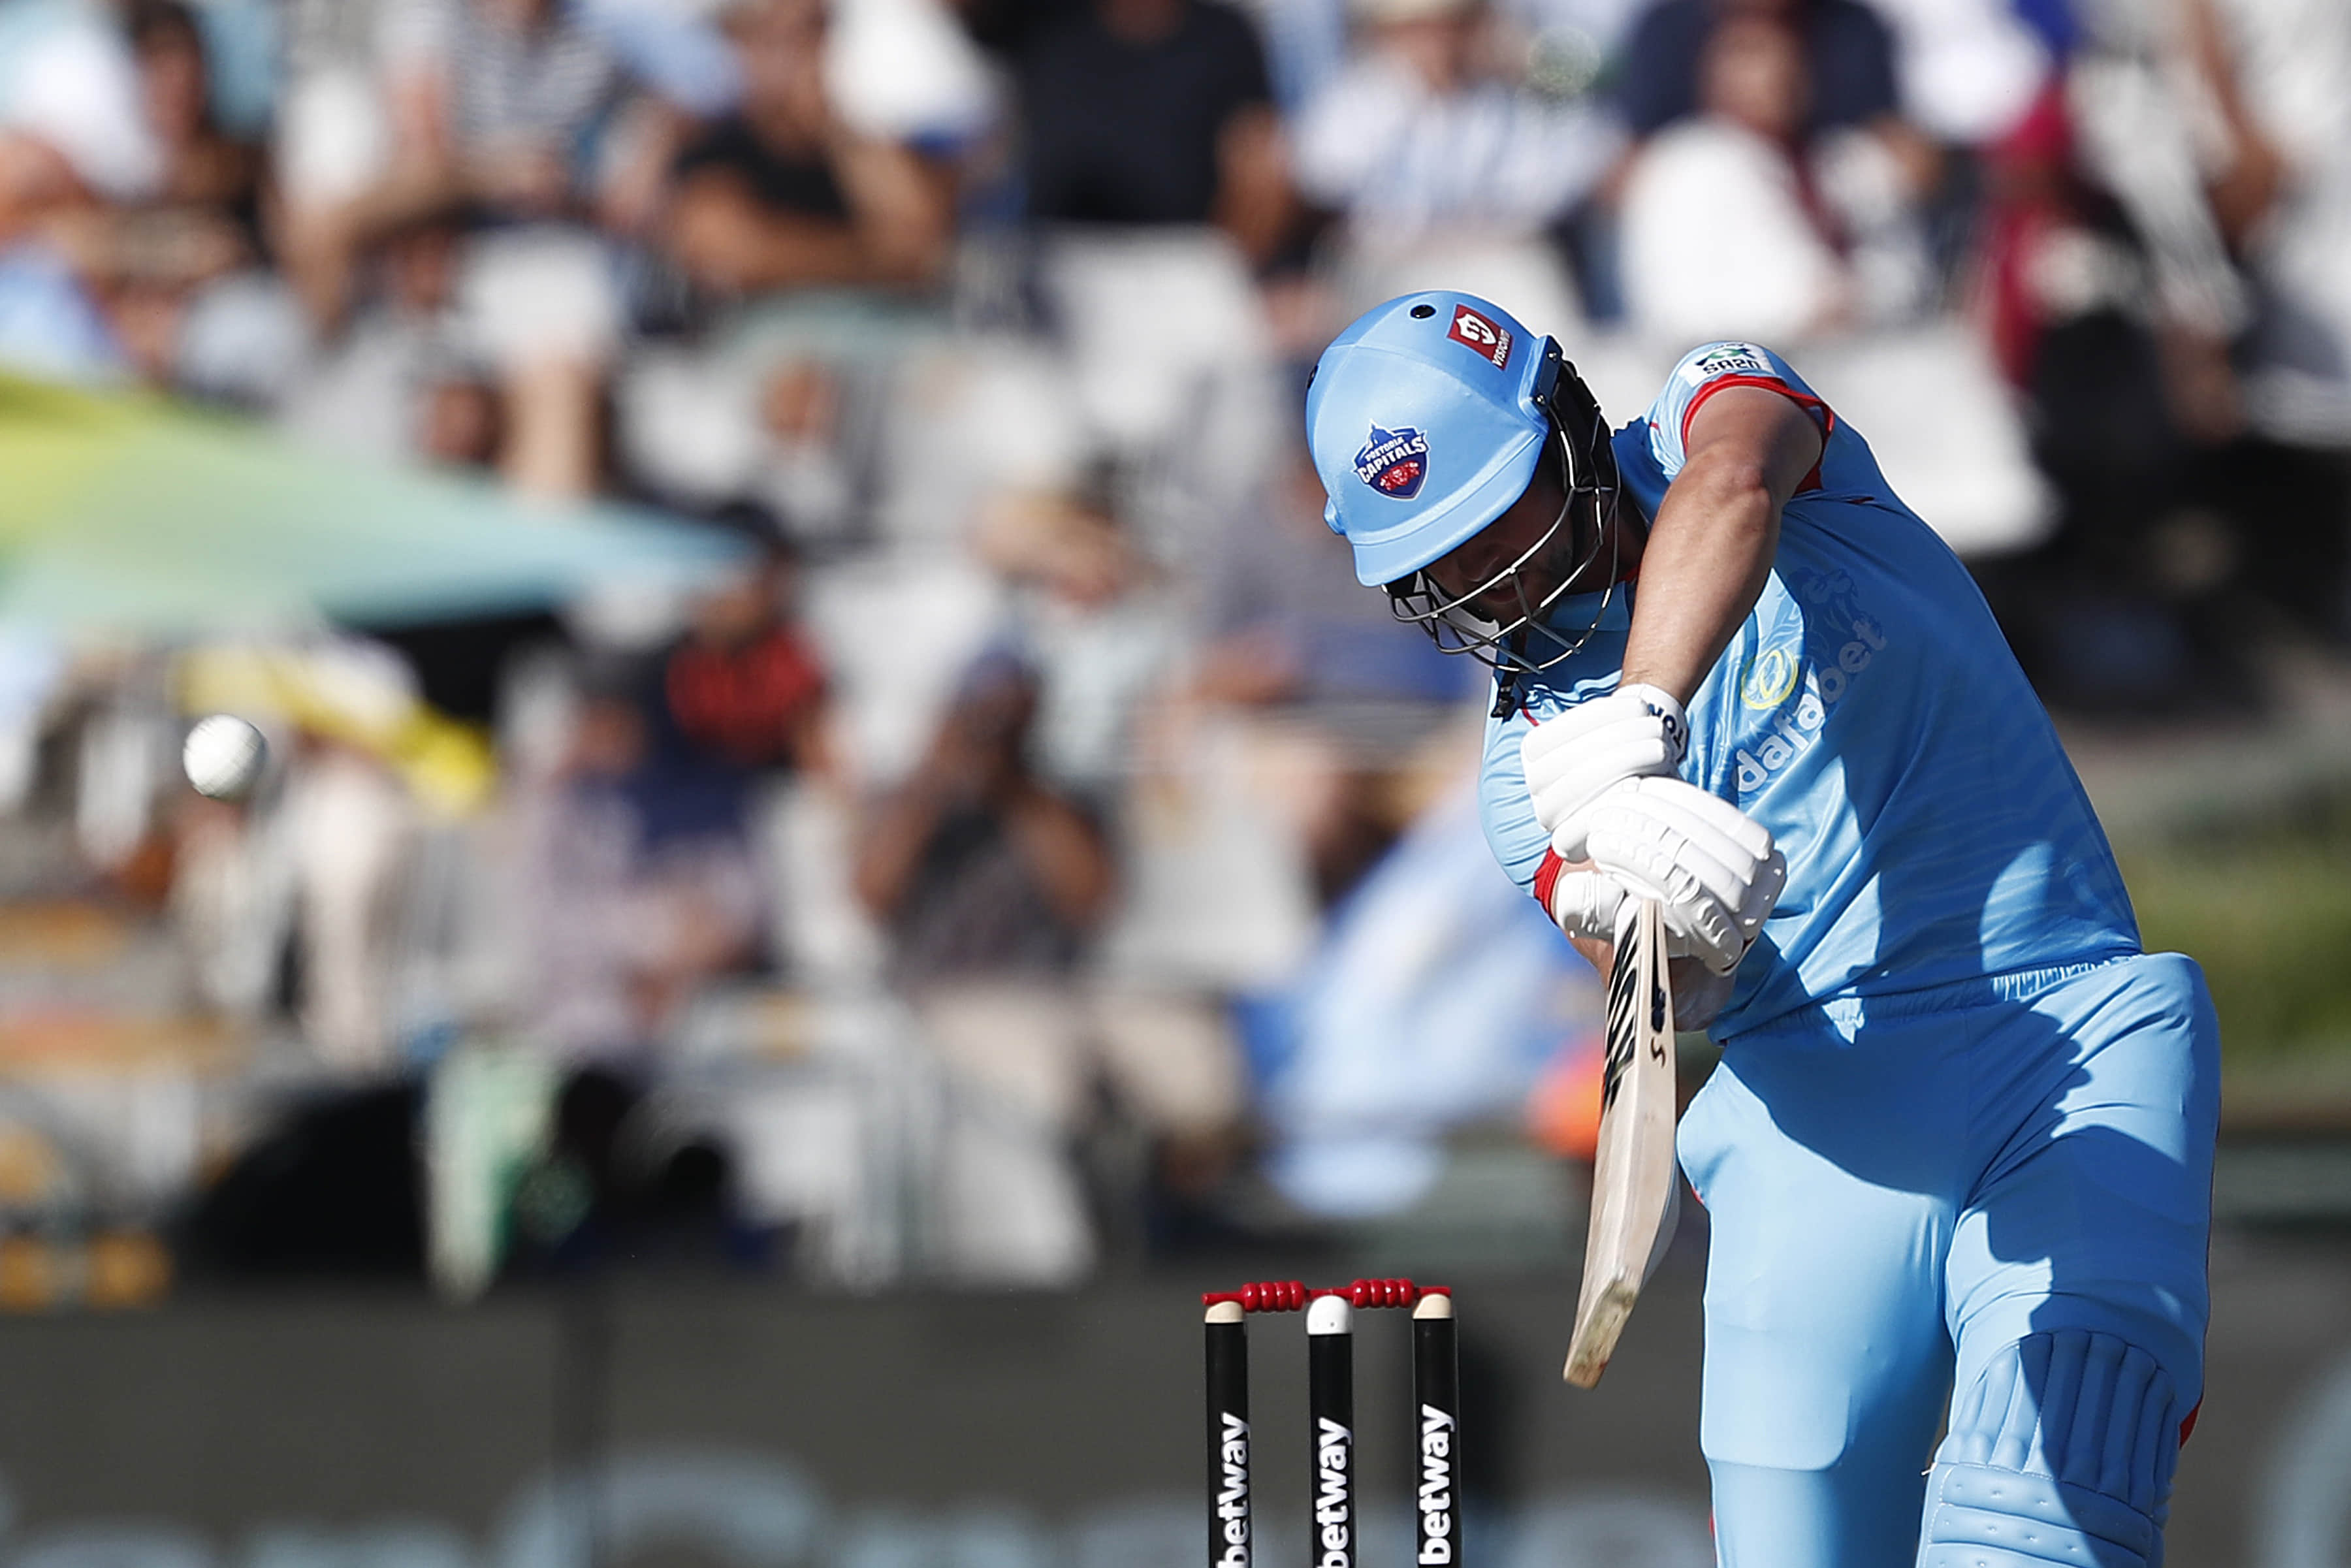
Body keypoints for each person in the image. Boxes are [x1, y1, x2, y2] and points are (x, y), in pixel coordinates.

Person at [1303, 292, 2218, 1564]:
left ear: (1565, 425)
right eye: (1447, 565)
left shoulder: (1712, 411)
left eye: (1500, 520)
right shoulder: (1524, 780)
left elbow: (1738, 479)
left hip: (2063, 1026)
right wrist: (1657, 935)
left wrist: (1645, 712)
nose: (1494, 580)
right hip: (1819, 1120)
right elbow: (1650, 989)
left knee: (2049, 1496)